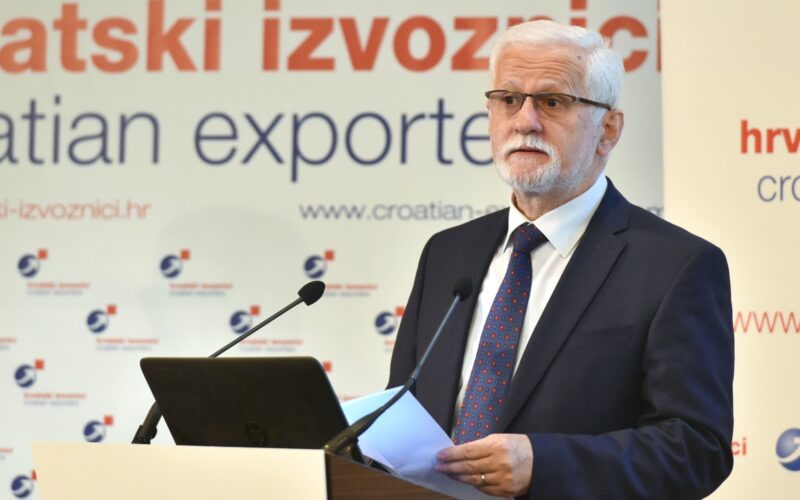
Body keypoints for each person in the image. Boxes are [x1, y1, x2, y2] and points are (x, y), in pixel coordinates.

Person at [387, 20, 733, 499]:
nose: (524, 121)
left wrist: (544, 464)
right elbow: (401, 413)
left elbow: (697, 449)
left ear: (607, 129)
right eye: (509, 99)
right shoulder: (446, 254)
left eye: (552, 102)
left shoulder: (676, 267)